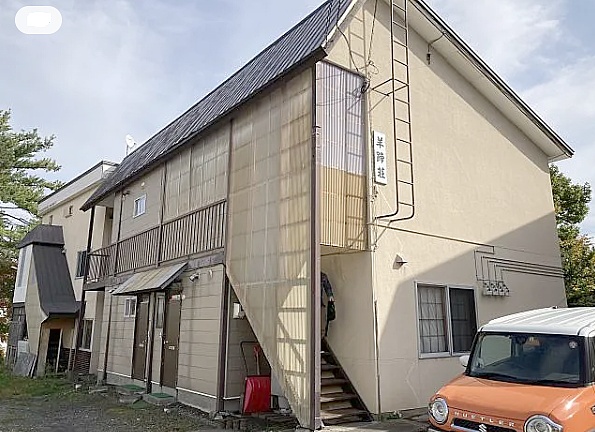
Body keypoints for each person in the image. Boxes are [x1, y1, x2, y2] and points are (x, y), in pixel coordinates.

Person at [321, 272, 335, 339]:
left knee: (322, 327)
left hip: (319, 305)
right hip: (310, 305)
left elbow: (328, 288)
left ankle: (321, 339)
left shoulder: (322, 276)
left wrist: (330, 296)